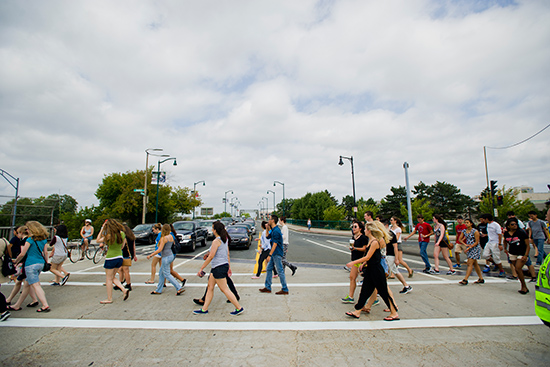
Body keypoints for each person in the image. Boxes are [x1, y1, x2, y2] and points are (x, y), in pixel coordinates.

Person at [345, 222, 399, 321]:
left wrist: (353, 263)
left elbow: (368, 256)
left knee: (383, 292)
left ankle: (394, 312)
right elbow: (370, 257)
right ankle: (357, 311)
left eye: (365, 229)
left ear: (369, 231)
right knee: (364, 291)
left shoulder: (375, 242)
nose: (364, 230)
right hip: (370, 269)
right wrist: (364, 263)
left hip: (376, 270)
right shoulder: (371, 241)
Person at [194, 221, 243, 316]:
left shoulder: (216, 241)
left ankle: (238, 308)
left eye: (212, 228)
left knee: (224, 289)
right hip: (220, 266)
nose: (211, 230)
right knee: (210, 287)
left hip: (218, 267)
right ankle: (204, 309)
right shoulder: (224, 239)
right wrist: (228, 266)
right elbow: (225, 253)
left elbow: (211, 256)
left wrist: (202, 268)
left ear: (215, 230)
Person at [8, 221, 51, 313]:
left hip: (31, 264)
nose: (26, 229)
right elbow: (46, 252)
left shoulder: (29, 240)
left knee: (36, 285)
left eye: (27, 228)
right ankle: (17, 305)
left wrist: (16, 261)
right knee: (27, 285)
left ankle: (45, 304)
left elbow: (23, 253)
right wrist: (46, 262)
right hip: (40, 263)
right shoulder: (43, 239)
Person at [96, 219, 130, 304]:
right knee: (112, 277)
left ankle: (109, 298)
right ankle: (123, 289)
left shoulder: (109, 236)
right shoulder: (122, 234)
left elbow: (98, 240)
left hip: (111, 257)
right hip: (119, 257)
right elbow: (122, 246)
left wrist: (102, 229)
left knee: (108, 279)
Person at [5, 226, 39, 308]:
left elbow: (23, 253)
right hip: (31, 263)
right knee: (24, 283)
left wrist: (16, 261)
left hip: (26, 264)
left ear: (20, 233)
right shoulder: (31, 240)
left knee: (24, 283)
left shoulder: (24, 241)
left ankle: (13, 302)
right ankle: (34, 300)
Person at [147, 224, 185, 296]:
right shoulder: (171, 236)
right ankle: (159, 289)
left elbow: (160, 249)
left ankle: (178, 287)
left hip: (166, 257)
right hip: (170, 255)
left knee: (167, 274)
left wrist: (151, 255)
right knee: (161, 273)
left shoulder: (164, 238)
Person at [259, 214, 289, 295]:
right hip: (274, 254)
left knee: (280, 271)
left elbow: (275, 244)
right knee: (269, 268)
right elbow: (268, 237)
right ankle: (268, 287)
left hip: (277, 253)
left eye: (269, 219)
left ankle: (285, 289)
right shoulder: (273, 229)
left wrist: (269, 255)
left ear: (273, 220)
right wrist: (267, 228)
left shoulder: (276, 231)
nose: (268, 220)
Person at [341, 220, 368, 303]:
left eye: (355, 227)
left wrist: (355, 248)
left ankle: (374, 298)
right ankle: (351, 296)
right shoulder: (354, 237)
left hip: (362, 260)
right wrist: (352, 248)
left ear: (360, 228)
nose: (353, 228)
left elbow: (365, 248)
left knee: (368, 280)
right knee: (352, 278)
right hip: (355, 260)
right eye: (353, 227)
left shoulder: (363, 237)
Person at [503, 218, 531, 294]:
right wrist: (505, 248)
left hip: (521, 253)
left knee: (518, 268)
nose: (515, 226)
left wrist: (526, 255)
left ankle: (524, 286)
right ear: (508, 226)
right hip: (512, 253)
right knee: (517, 270)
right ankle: (523, 284)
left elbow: (528, 245)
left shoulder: (521, 232)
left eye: (516, 224)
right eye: (512, 224)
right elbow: (505, 240)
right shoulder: (506, 233)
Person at [384, 220, 412, 294]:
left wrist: (396, 259)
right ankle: (406, 286)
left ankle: (406, 286)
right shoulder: (385, 234)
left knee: (391, 271)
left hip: (391, 255)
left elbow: (395, 247)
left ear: (386, 226)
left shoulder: (391, 234)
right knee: (392, 271)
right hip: (387, 255)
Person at [457, 219, 484, 285]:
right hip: (468, 248)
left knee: (470, 263)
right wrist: (465, 244)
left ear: (471, 223)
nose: (466, 224)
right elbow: (460, 239)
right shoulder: (464, 231)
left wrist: (470, 247)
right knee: (475, 264)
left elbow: (477, 242)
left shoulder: (475, 231)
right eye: (465, 223)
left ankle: (465, 279)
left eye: (467, 222)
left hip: (474, 248)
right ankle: (481, 278)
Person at [120, 224, 137, 291]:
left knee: (124, 270)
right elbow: (134, 246)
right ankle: (124, 282)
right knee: (123, 269)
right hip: (130, 254)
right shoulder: (131, 237)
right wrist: (134, 255)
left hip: (124, 254)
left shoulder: (124, 237)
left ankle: (126, 283)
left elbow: (121, 246)